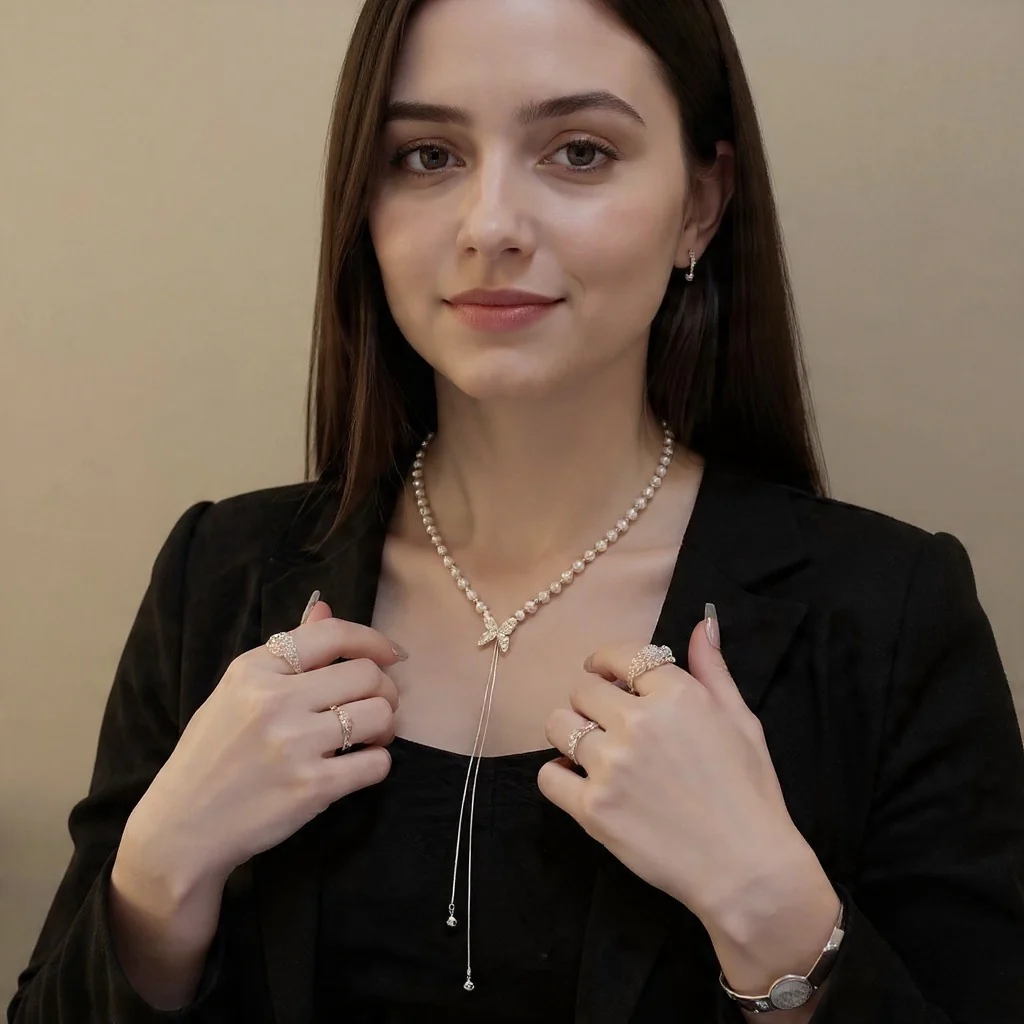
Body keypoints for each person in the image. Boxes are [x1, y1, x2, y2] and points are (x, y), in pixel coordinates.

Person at [9, 0, 1024, 1021]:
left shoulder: (890, 613)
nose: (489, 224)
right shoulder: (214, 577)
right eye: (427, 156)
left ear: (700, 203)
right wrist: (161, 872)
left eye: (580, 152)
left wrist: (772, 911)